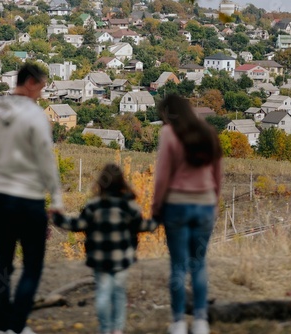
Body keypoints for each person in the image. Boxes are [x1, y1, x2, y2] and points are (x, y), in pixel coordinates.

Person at [0, 63, 63, 334]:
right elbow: (46, 160)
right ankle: (18, 326)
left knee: (2, 262)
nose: (42, 94)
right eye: (43, 87)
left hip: (1, 199)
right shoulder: (35, 117)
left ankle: (1, 326)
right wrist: (56, 196)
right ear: (32, 82)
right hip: (30, 200)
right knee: (32, 265)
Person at [51, 163, 158, 334]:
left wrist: (57, 218)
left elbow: (78, 225)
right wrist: (159, 217)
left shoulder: (94, 205)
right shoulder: (130, 207)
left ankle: (105, 329)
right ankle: (118, 329)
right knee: (119, 294)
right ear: (122, 183)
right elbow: (144, 226)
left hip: (99, 259)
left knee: (103, 293)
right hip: (122, 258)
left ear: (101, 183)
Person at [152, 94, 223, 334]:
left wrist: (155, 206)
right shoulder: (208, 132)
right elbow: (217, 174)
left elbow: (162, 176)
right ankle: (201, 321)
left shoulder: (169, 134)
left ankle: (179, 322)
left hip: (177, 206)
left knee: (178, 266)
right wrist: (215, 203)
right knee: (199, 264)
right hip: (205, 204)